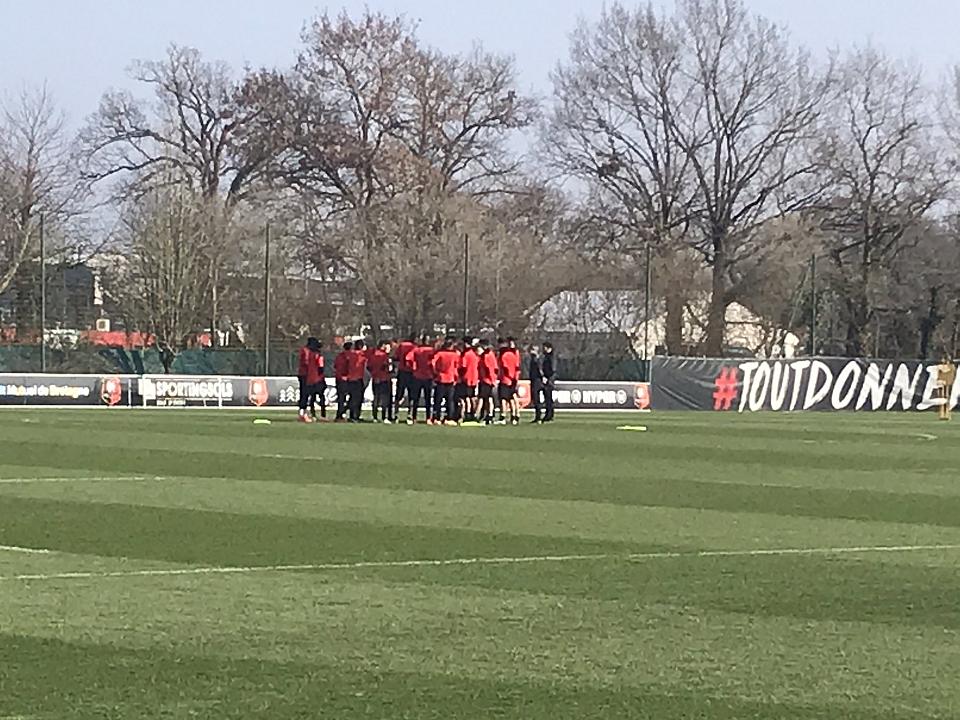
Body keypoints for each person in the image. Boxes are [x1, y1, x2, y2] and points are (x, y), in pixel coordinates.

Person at [406, 335, 436, 424]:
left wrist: (413, 368)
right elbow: (434, 363)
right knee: (427, 399)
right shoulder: (431, 350)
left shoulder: (416, 349)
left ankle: (414, 417)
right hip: (428, 376)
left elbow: (408, 359)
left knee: (416, 398)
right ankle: (428, 418)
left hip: (417, 376)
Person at [431, 338, 460, 425]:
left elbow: (433, 363)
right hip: (450, 379)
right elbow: (457, 366)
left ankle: (437, 418)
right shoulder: (455, 355)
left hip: (440, 378)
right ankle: (449, 418)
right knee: (449, 400)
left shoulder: (439, 354)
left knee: (438, 400)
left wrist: (436, 372)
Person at [368, 339, 394, 423]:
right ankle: (384, 417)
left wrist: (374, 373)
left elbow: (369, 366)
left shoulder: (373, 355)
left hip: (375, 378)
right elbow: (387, 367)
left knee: (376, 398)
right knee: (384, 399)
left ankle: (374, 417)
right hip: (384, 379)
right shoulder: (384, 356)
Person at [498, 337, 521, 425]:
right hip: (513, 379)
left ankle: (503, 416)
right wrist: (515, 378)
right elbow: (517, 367)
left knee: (504, 398)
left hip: (506, 379)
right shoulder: (514, 354)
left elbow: (505, 368)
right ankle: (515, 415)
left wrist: (509, 376)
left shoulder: (504, 355)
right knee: (512, 398)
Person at [393, 335, 416, 419]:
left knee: (399, 394)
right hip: (411, 372)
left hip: (402, 372)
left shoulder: (401, 345)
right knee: (411, 394)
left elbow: (396, 357)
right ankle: (410, 414)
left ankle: (396, 413)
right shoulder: (414, 347)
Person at [346, 339, 368, 422]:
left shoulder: (351, 354)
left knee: (352, 398)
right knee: (357, 399)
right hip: (358, 378)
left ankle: (352, 415)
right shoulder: (362, 355)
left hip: (351, 378)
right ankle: (355, 416)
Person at [478, 340, 499, 424]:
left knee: (484, 398)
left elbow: (489, 369)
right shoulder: (491, 354)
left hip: (487, 380)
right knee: (489, 398)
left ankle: (483, 415)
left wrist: (492, 379)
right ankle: (490, 415)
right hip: (488, 379)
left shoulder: (486, 356)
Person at [459, 340, 481, 422]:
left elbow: (463, 367)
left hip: (466, 378)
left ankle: (467, 414)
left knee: (466, 398)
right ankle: (474, 413)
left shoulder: (465, 354)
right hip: (474, 378)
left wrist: (460, 376)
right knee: (473, 397)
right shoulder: (474, 354)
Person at [297, 337, 317, 423]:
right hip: (305, 375)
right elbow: (306, 362)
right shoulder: (306, 351)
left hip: (308, 375)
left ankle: (303, 412)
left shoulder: (308, 351)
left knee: (306, 394)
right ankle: (302, 413)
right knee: (304, 394)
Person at [333, 341, 353, 422]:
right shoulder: (350, 356)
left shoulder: (339, 356)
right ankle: (345, 412)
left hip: (338, 378)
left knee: (341, 398)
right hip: (347, 378)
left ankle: (339, 415)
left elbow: (335, 366)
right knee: (353, 397)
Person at [527, 345, 545, 423]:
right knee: (535, 399)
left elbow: (540, 370)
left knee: (536, 399)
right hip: (534, 380)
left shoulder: (537, 360)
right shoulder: (533, 359)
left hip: (537, 381)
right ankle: (537, 416)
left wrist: (542, 377)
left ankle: (539, 417)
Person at [936, 354, 957, 421]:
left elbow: (951, 375)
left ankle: (947, 413)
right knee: (942, 398)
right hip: (942, 383)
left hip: (948, 383)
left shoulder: (951, 367)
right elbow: (939, 375)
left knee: (947, 398)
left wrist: (949, 382)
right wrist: (939, 380)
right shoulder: (940, 367)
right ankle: (941, 413)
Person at [541, 342, 556, 422]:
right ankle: (548, 414)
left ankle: (549, 415)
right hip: (547, 379)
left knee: (548, 398)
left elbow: (552, 369)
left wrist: (547, 377)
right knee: (547, 398)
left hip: (549, 380)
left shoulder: (551, 357)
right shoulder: (547, 357)